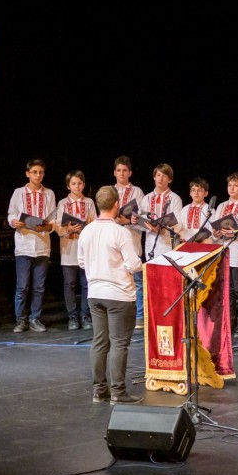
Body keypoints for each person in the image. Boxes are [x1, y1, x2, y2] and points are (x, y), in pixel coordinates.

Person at [78, 185, 144, 405]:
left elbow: (80, 261)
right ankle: (118, 392)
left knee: (99, 342)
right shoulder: (120, 232)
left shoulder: (86, 231)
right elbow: (134, 264)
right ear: (116, 205)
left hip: (95, 293)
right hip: (118, 294)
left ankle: (99, 390)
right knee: (118, 344)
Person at [8, 158, 56, 333]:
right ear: (28, 174)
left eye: (41, 172)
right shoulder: (18, 192)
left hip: (42, 244)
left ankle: (35, 318)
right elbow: (11, 214)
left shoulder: (49, 194)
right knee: (22, 286)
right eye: (34, 172)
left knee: (39, 286)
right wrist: (14, 222)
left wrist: (48, 225)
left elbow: (53, 219)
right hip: (24, 244)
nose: (38, 175)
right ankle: (21, 320)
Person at [210, 171, 238, 338]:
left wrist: (235, 232)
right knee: (226, 291)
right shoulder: (221, 206)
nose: (232, 188)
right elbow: (214, 230)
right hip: (222, 251)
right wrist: (216, 232)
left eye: (236, 185)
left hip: (237, 253)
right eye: (230, 185)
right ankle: (229, 323)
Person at [55, 170, 97, 330]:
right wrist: (68, 228)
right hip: (68, 249)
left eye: (79, 183)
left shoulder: (89, 203)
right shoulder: (62, 203)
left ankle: (85, 316)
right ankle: (72, 317)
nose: (77, 186)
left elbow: (94, 223)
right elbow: (57, 227)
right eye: (73, 183)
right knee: (69, 284)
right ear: (68, 186)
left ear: (84, 185)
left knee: (86, 284)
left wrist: (85, 228)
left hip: (86, 249)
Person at [111, 156, 146, 328]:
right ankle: (119, 315)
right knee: (117, 279)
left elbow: (141, 217)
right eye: (119, 170)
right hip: (113, 240)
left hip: (132, 238)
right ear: (114, 172)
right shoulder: (109, 191)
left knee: (137, 280)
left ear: (130, 173)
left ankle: (139, 315)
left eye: (125, 170)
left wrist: (127, 220)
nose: (122, 173)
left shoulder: (137, 192)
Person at [135, 163, 183, 261]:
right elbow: (142, 224)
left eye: (164, 176)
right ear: (154, 177)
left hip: (169, 247)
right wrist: (136, 221)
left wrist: (162, 230)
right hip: (151, 247)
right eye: (158, 175)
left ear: (169, 180)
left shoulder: (175, 198)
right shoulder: (146, 198)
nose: (160, 179)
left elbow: (179, 224)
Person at [179, 177, 213, 242]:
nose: (196, 193)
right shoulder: (185, 209)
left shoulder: (209, 209)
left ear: (206, 193)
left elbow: (212, 232)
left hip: (203, 244)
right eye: (193, 190)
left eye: (199, 190)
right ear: (190, 193)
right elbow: (181, 228)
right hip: (186, 244)